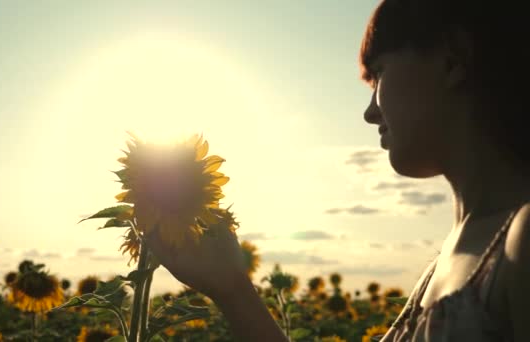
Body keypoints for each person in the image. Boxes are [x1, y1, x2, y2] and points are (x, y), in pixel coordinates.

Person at [146, 0, 530, 341]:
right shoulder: (454, 254)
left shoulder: (521, 239)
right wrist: (231, 288)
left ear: (452, 60)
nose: (369, 112)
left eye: (378, 74)